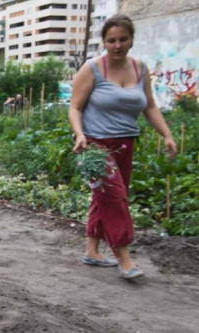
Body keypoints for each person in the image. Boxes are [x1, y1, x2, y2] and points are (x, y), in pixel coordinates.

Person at [68, 15, 177, 280]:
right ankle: (123, 256)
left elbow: (149, 106)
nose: (117, 45)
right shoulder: (92, 68)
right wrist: (79, 134)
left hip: (126, 143)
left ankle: (92, 251)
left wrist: (167, 134)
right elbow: (74, 107)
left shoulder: (140, 68)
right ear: (104, 42)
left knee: (105, 196)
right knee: (115, 197)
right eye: (111, 40)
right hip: (94, 146)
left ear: (131, 39)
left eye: (123, 39)